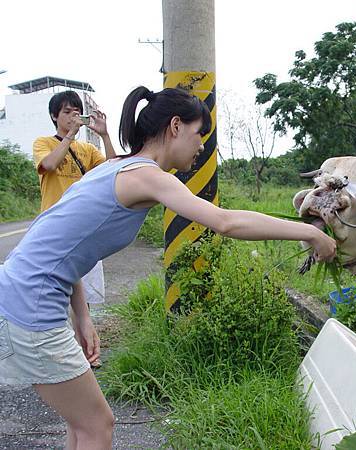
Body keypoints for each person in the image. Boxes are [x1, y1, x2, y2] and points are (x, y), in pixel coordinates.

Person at [0, 86, 336, 449]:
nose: (202, 147)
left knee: (81, 424)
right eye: (198, 134)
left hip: (22, 291)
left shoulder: (116, 167)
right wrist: (310, 234)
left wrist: (81, 317)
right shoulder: (148, 176)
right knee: (98, 426)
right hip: (31, 305)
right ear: (175, 126)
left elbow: (60, 243)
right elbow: (226, 222)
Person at [33, 91, 116, 364]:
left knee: (85, 300)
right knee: (55, 293)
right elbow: (48, 164)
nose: (72, 117)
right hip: (53, 230)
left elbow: (114, 170)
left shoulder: (88, 150)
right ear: (54, 116)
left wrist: (104, 135)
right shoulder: (43, 143)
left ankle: (86, 352)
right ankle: (60, 351)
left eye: (76, 112)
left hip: (84, 228)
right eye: (66, 112)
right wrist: (69, 137)